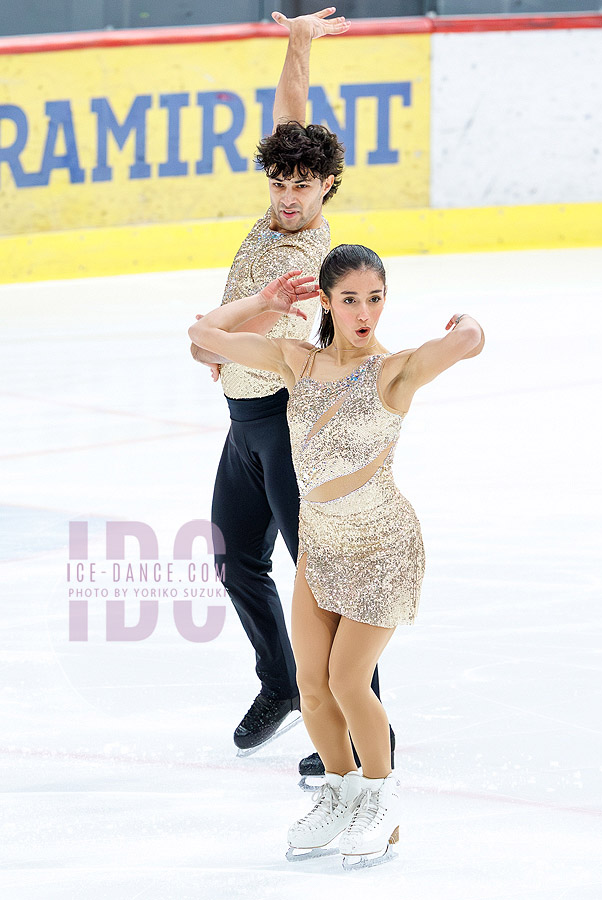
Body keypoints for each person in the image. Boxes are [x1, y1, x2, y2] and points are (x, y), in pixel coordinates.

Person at [188, 244, 485, 867]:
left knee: (349, 681)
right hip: (322, 545)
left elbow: (471, 342)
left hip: (381, 545)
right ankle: (343, 792)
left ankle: (382, 800)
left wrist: (465, 326)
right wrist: (266, 304)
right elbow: (203, 334)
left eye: (375, 299)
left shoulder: (395, 371)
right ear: (325, 302)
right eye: (350, 299)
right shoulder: (296, 361)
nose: (364, 312)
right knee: (311, 688)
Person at [190, 7, 393, 776]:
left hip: (288, 427)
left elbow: (218, 333)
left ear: (326, 189)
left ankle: (359, 722)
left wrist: (221, 336)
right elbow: (291, 121)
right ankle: (282, 684)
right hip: (243, 423)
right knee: (235, 558)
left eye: (301, 185)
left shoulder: (314, 260)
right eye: (278, 180)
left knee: (326, 577)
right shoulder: (276, 212)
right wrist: (299, 42)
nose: (285, 194)